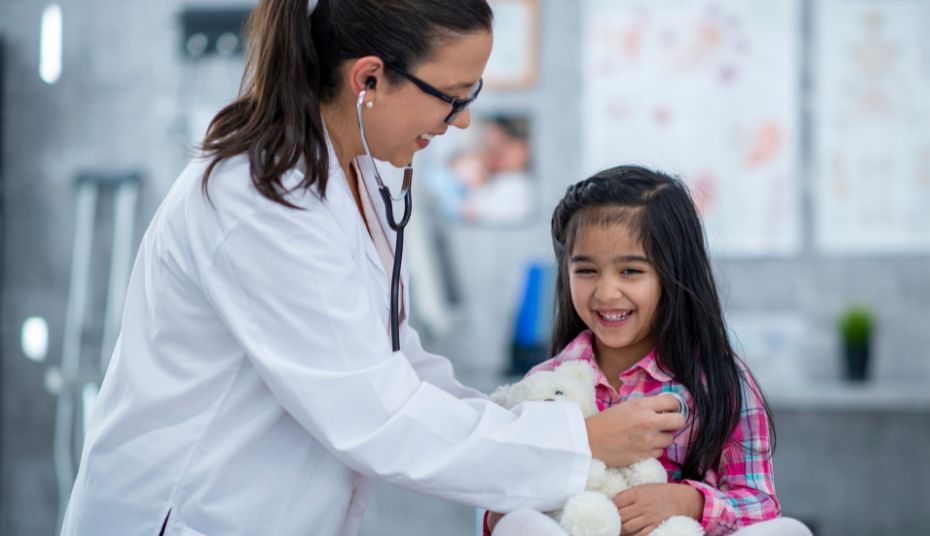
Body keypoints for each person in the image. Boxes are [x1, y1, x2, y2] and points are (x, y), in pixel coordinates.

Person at [59, 2, 687, 535]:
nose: (463, 119)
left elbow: (398, 365)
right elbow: (376, 415)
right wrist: (579, 444)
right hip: (189, 514)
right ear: (370, 80)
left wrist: (539, 424)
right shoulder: (258, 201)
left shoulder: (353, 173)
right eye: (452, 97)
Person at [488, 165, 785, 536]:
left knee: (788, 531)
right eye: (586, 271)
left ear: (674, 275)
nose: (606, 292)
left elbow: (760, 504)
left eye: (630, 271)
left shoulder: (720, 382)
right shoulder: (546, 384)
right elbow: (499, 507)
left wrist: (689, 503)